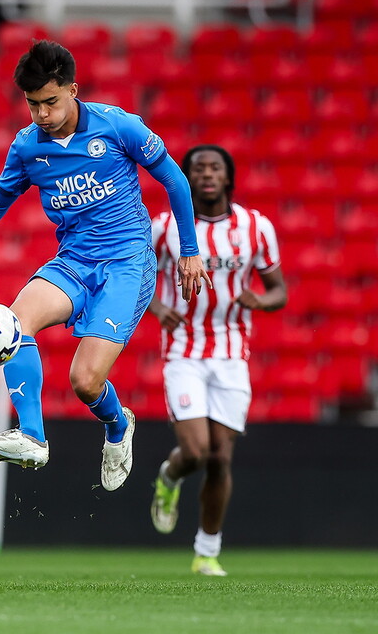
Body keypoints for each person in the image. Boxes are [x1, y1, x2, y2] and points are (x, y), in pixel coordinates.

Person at [0, 40, 209, 491]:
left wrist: (191, 249)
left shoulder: (119, 127)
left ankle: (118, 426)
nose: (41, 114)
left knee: (84, 382)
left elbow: (174, 179)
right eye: (33, 104)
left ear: (72, 88)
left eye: (50, 102)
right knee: (12, 322)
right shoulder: (26, 148)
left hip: (126, 262)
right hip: (73, 260)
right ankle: (32, 437)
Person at [147, 144, 287, 575]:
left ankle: (206, 552)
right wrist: (155, 306)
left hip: (231, 353)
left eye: (215, 168)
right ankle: (169, 477)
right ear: (186, 177)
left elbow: (279, 289)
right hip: (183, 351)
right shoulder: (165, 226)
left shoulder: (255, 227)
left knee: (221, 458)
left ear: (228, 177)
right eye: (198, 168)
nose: (207, 174)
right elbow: (134, 276)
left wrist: (261, 302)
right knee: (196, 451)